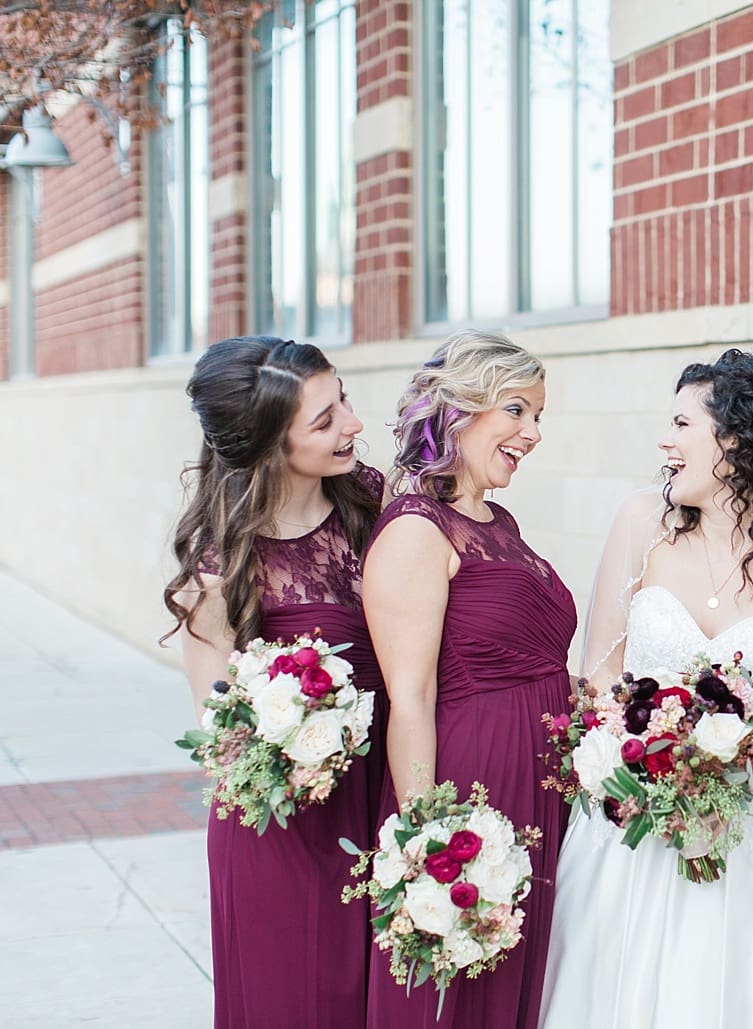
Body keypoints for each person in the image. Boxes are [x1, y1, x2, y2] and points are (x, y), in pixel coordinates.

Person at [540, 349, 753, 1029]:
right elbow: (602, 670)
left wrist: (733, 758)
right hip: (631, 821)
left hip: (752, 821)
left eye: (680, 424)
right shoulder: (641, 521)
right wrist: (652, 752)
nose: (663, 443)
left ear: (733, 438)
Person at [162, 335, 386, 1029]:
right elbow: (223, 746)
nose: (351, 423)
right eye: (323, 420)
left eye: (342, 398)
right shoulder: (219, 572)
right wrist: (300, 733)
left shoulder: (376, 505)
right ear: (265, 447)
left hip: (381, 799)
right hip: (285, 835)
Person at [361, 330, 574, 1028]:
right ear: (458, 409)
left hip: (541, 788)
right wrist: (426, 839)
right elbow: (410, 696)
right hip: (475, 783)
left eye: (537, 415)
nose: (532, 433)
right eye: (516, 410)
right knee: (464, 990)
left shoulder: (497, 520)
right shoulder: (417, 530)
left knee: (520, 979)